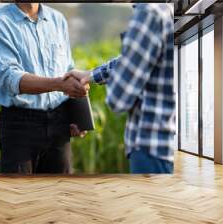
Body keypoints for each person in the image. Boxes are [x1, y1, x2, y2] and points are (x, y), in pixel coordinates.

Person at [65, 4, 175, 174]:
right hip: (159, 143)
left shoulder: (148, 14)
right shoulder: (163, 10)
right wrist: (90, 74)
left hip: (149, 144)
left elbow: (119, 99)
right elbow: (129, 60)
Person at [0, 3, 88, 174]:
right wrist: (59, 84)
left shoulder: (57, 19)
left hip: (60, 123)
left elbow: (68, 69)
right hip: (19, 126)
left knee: (60, 194)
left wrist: (75, 115)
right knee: (19, 195)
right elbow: (10, 79)